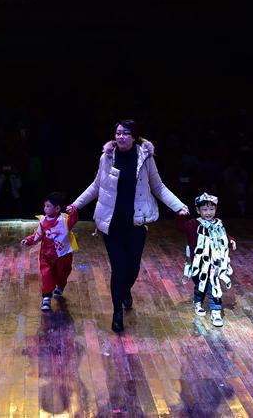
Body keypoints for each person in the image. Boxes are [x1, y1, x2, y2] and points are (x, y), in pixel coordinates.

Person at [68, 119, 189, 332]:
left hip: (136, 222)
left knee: (133, 267)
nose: (121, 136)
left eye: (125, 133)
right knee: (119, 268)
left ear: (134, 137)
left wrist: (179, 206)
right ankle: (117, 312)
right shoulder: (107, 157)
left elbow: (158, 187)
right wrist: (76, 205)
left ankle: (125, 290)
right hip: (112, 223)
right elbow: (96, 186)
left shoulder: (145, 158)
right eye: (118, 133)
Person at [176, 193, 236, 327]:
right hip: (199, 263)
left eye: (211, 209)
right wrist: (180, 215)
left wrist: (230, 240)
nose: (208, 212)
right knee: (200, 285)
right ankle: (198, 301)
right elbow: (181, 227)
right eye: (205, 209)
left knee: (213, 284)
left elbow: (223, 235)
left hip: (214, 262)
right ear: (198, 210)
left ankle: (216, 311)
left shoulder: (218, 223)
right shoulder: (194, 224)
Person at [21, 192, 79, 312]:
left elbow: (73, 220)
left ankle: (61, 285)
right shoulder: (43, 221)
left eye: (48, 206)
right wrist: (28, 240)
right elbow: (37, 235)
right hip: (46, 255)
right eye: (45, 206)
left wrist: (73, 211)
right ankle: (46, 298)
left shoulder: (64, 220)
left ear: (57, 208)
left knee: (62, 274)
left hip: (62, 255)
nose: (45, 208)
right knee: (46, 274)